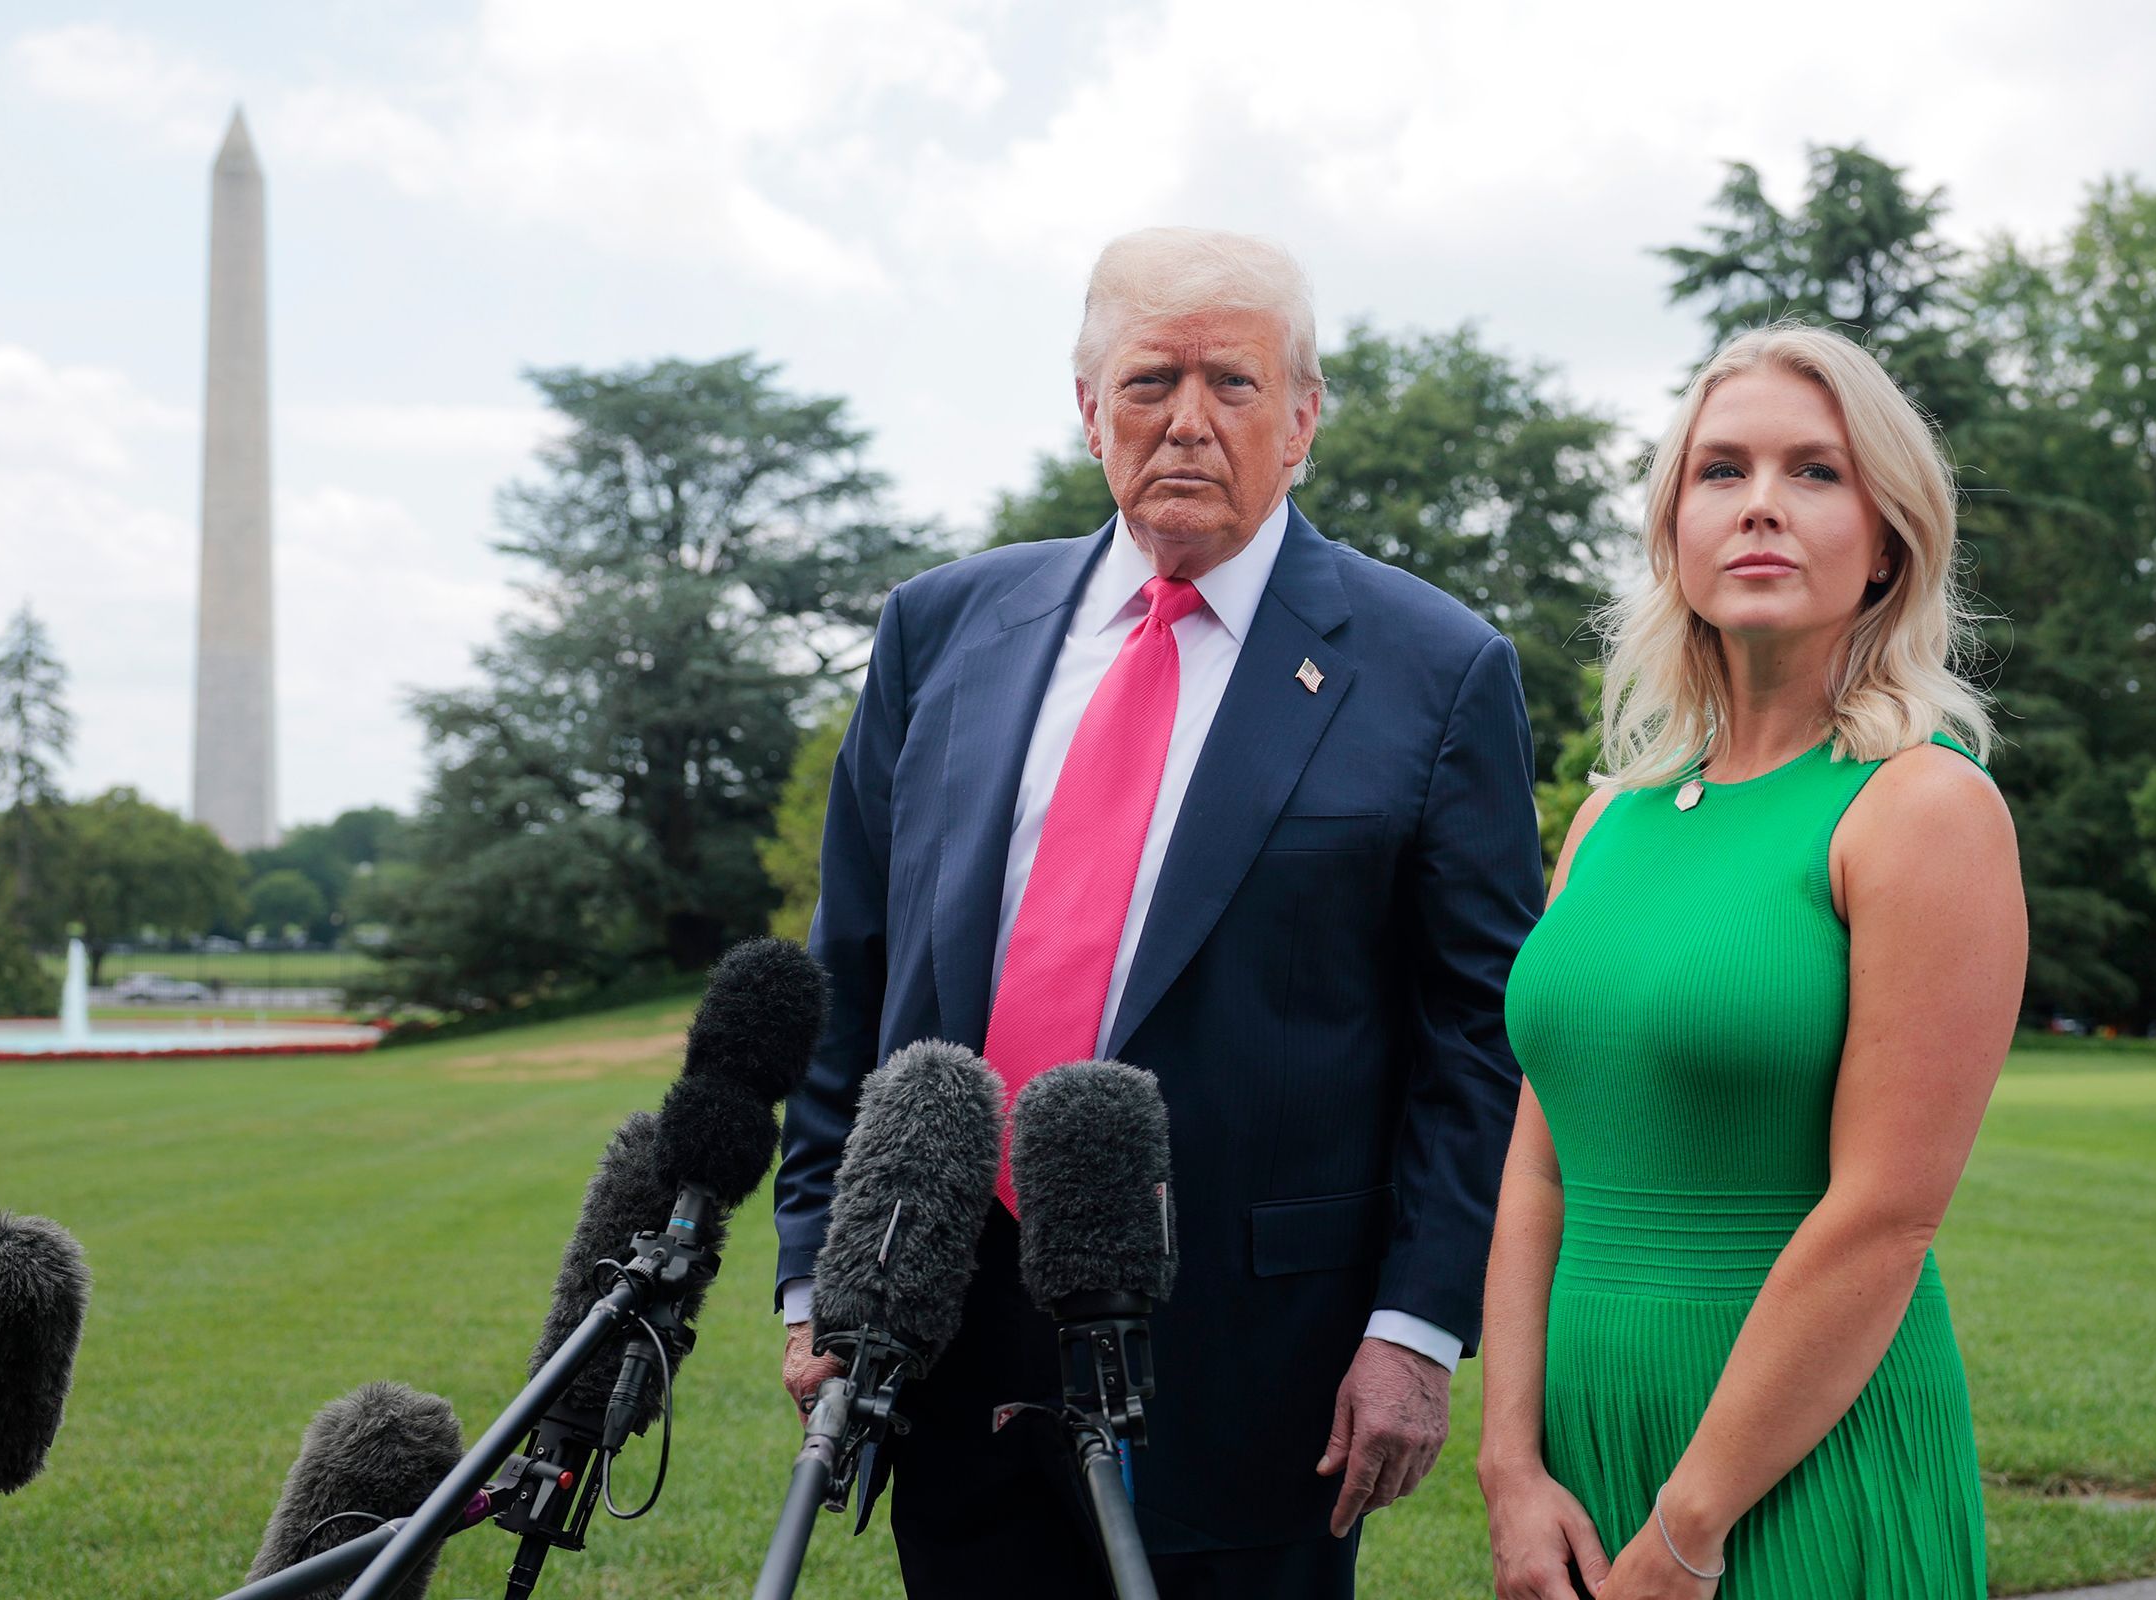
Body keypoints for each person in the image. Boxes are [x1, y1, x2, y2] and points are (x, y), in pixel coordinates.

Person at [771, 227, 1543, 1599]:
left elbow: (1479, 1034)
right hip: (944, 1346)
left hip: (1258, 1364)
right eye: (1149, 381)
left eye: (1233, 383)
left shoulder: (1436, 669)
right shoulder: (940, 631)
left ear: (1302, 417)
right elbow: (851, 974)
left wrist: (1417, 1325)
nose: (1188, 419)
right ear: (1090, 411)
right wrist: (818, 1277)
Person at [1479, 323, 2026, 1600]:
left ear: (1887, 541)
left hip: (1791, 1464)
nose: (1761, 504)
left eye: (1816, 472)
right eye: (1721, 470)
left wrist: (1688, 1529)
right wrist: (1508, 1462)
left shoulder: (1922, 808)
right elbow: (1540, 1163)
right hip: (1583, 1452)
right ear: (1674, 526)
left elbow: (1885, 1217)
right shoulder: (1610, 819)